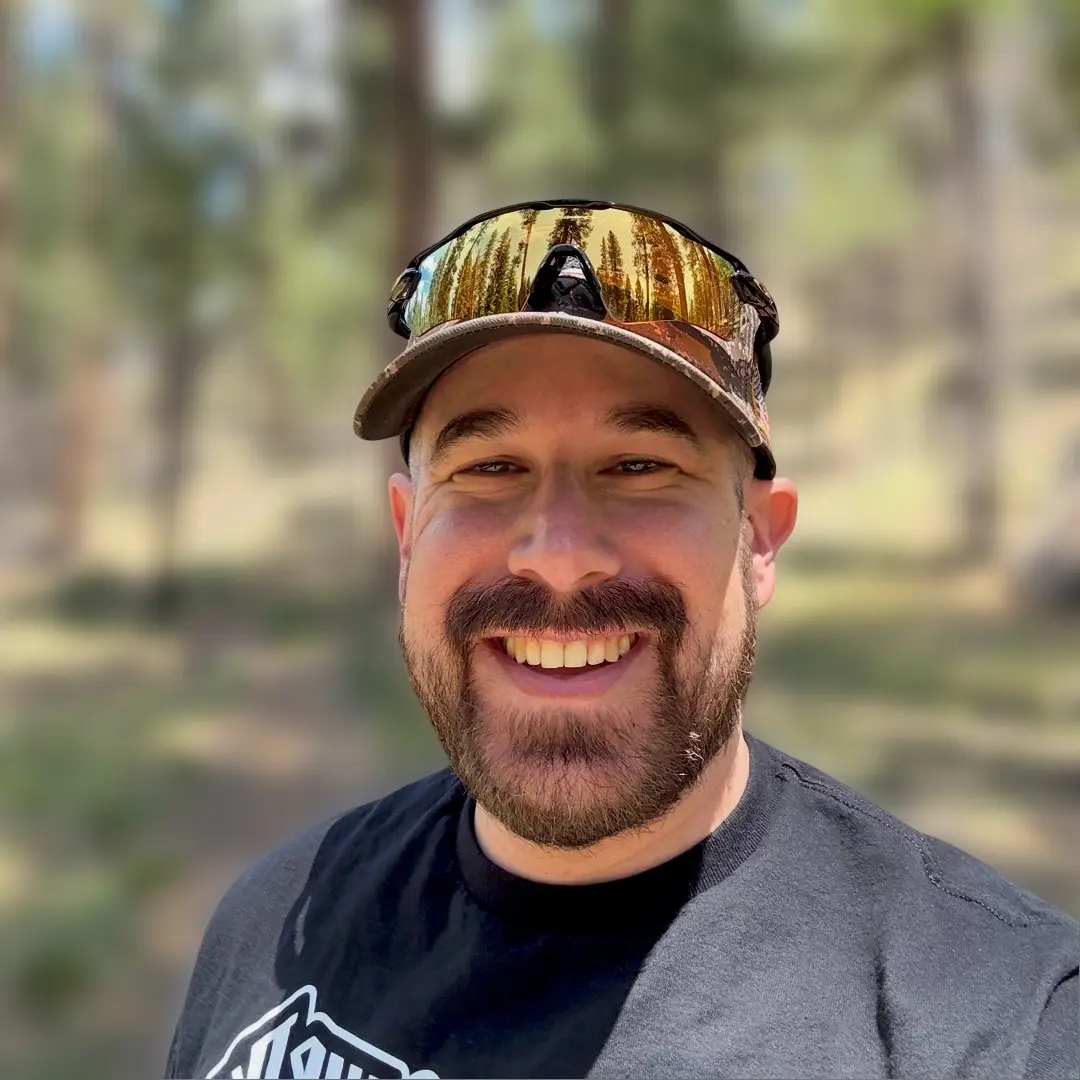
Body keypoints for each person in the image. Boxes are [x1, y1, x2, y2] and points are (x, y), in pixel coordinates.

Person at [165, 200, 1079, 1080]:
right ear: (409, 537)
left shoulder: (998, 1020)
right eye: (488, 468)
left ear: (759, 539)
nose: (558, 557)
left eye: (641, 466)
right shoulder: (271, 923)